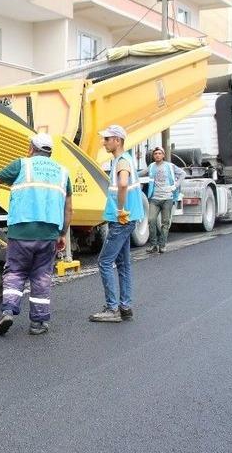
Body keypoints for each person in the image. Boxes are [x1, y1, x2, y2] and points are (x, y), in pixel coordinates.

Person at [0, 133, 72, 336]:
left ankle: (8, 311)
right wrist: (62, 233)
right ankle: (38, 323)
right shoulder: (63, 172)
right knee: (41, 277)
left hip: (21, 232)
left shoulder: (22, 165)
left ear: (31, 148)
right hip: (49, 233)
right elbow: (69, 209)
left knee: (15, 272)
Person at [89, 125, 145, 323]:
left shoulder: (122, 161)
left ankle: (112, 308)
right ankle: (125, 306)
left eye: (107, 139)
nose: (104, 142)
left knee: (104, 262)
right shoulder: (125, 159)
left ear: (117, 141)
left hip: (121, 220)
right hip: (128, 219)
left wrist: (121, 209)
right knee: (123, 263)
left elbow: (122, 184)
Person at [142, 146, 185, 253]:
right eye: (155, 154)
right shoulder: (151, 166)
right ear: (153, 156)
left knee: (165, 223)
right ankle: (153, 245)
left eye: (159, 153)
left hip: (167, 198)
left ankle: (162, 245)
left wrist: (175, 185)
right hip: (154, 199)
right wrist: (129, 174)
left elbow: (183, 174)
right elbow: (141, 173)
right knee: (151, 220)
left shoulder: (169, 166)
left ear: (163, 155)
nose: (157, 155)